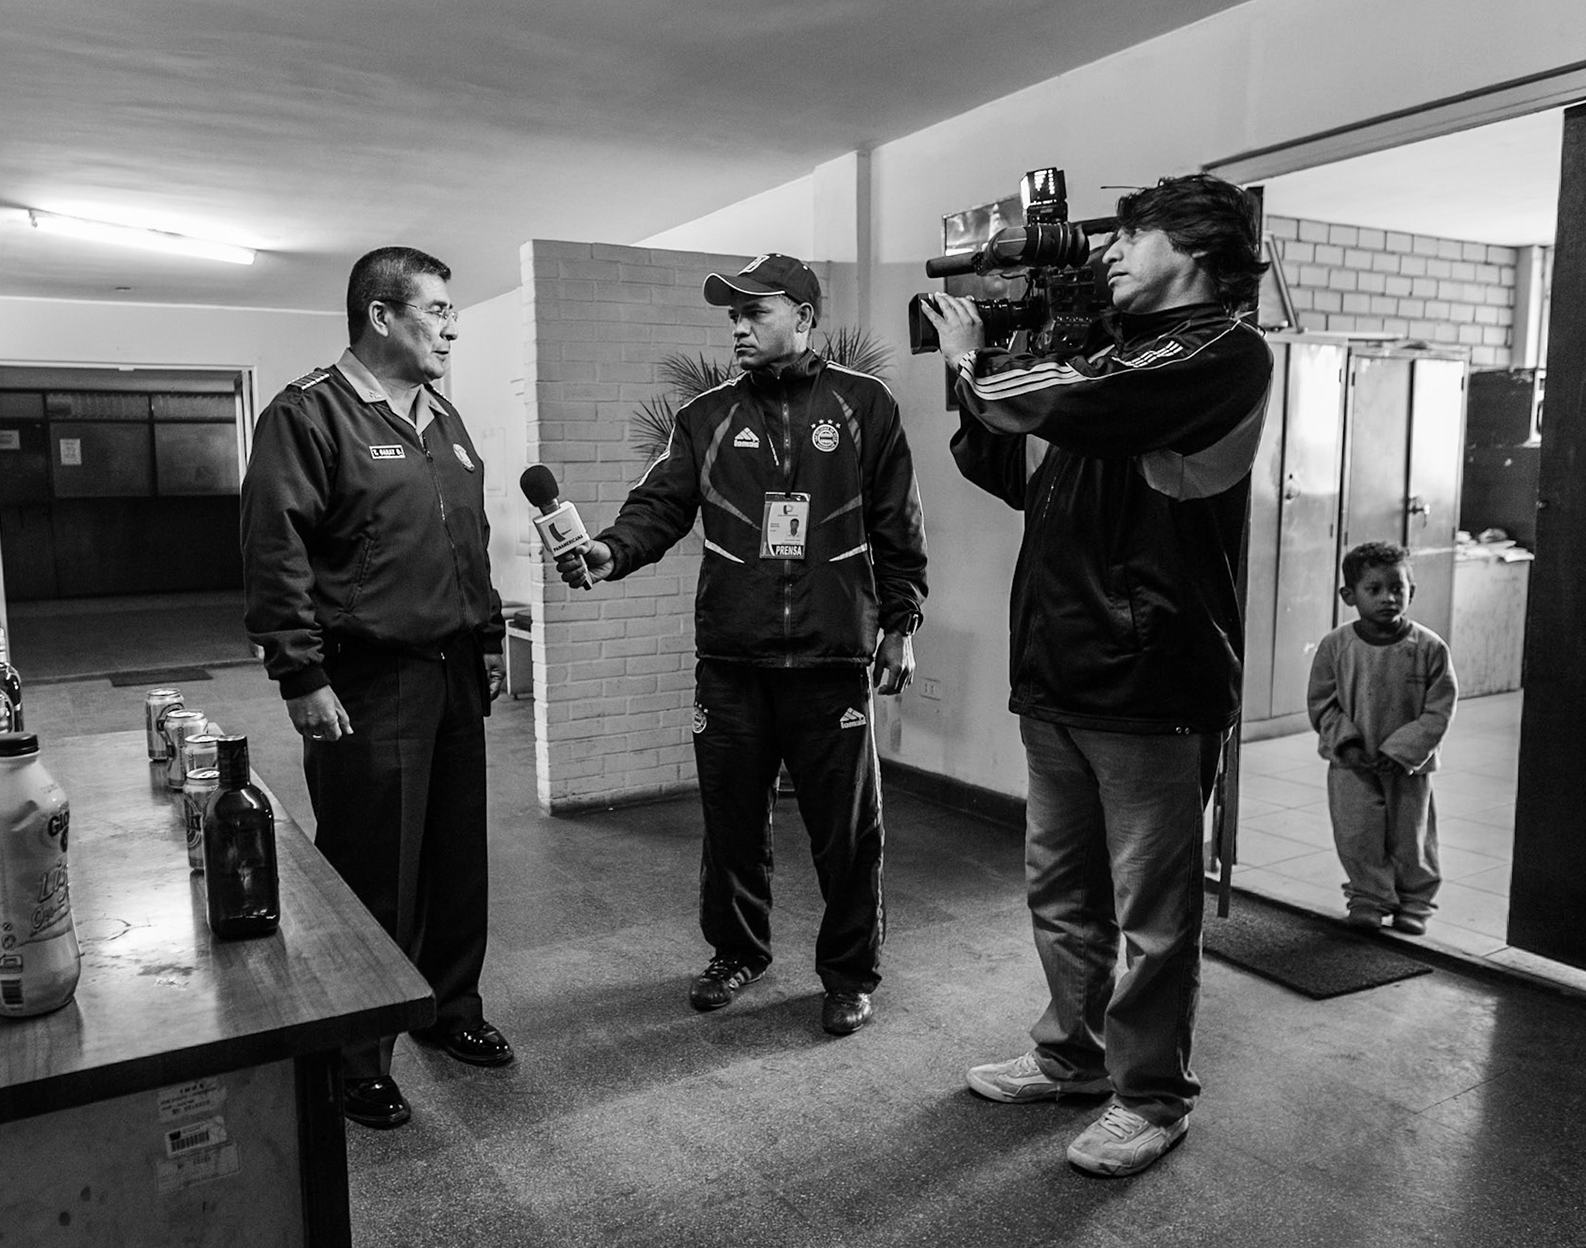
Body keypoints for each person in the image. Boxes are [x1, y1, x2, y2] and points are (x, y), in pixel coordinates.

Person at [923, 173, 1273, 1177]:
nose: (1111, 251)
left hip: (1153, 679)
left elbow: (1082, 407)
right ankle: (1069, 1057)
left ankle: (1152, 1098)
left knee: (1156, 918)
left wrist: (978, 362)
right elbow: (1009, 467)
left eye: (1134, 234)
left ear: (1196, 247)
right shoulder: (1102, 360)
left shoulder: (1223, 352)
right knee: (1063, 893)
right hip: (1059, 665)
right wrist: (982, 383)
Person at [555, 253, 928, 1037]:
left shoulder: (864, 405)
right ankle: (738, 952)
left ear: (805, 316)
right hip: (732, 663)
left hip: (830, 659)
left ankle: (849, 974)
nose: (739, 327)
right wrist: (610, 551)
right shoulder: (706, 417)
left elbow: (898, 524)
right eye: (733, 315)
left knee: (848, 835)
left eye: (755, 312)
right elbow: (658, 507)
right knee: (731, 825)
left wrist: (900, 624)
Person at [241, 246, 512, 1130]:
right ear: (381, 316)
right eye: (437, 310)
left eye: (451, 311)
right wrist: (300, 671)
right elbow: (274, 547)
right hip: (368, 676)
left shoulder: (444, 417)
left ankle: (448, 1009)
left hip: (454, 670)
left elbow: (467, 534)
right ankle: (356, 1056)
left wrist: (487, 634)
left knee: (454, 859)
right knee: (372, 870)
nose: (452, 327)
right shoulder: (309, 413)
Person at [1309, 541, 1458, 935]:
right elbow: (1323, 702)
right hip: (1352, 764)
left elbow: (1439, 708)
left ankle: (1414, 902)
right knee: (1358, 834)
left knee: (1412, 836)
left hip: (1408, 768)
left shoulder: (1429, 648)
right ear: (1349, 595)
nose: (1388, 598)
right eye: (1373, 589)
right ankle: (1369, 898)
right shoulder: (1336, 647)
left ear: (1412, 591)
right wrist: (1347, 742)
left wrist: (1403, 750)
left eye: (1397, 588)